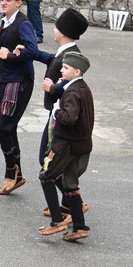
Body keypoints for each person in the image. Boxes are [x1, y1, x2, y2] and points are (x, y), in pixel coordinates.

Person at [32, 9, 88, 220]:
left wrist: (52, 89)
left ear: (63, 32)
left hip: (59, 117)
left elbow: (70, 86)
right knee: (52, 161)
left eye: (56, 26)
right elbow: (52, 60)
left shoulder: (70, 56)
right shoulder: (65, 51)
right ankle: (68, 204)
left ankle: (74, 203)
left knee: (47, 160)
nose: (53, 30)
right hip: (55, 113)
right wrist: (31, 52)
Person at [37, 52, 94, 242]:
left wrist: (56, 110)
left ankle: (57, 220)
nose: (61, 70)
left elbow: (69, 118)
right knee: (70, 185)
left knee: (46, 177)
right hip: (82, 145)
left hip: (67, 145)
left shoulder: (72, 93)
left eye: (66, 68)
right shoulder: (83, 88)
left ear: (77, 71)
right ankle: (80, 227)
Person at [0, 0, 37, 195]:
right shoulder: (6, 21)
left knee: (1, 127)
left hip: (19, 81)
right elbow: (2, 45)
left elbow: (32, 50)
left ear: (19, 2)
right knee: (9, 127)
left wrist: (9, 55)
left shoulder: (22, 23)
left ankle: (11, 172)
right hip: (6, 79)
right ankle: (16, 174)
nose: (4, 2)